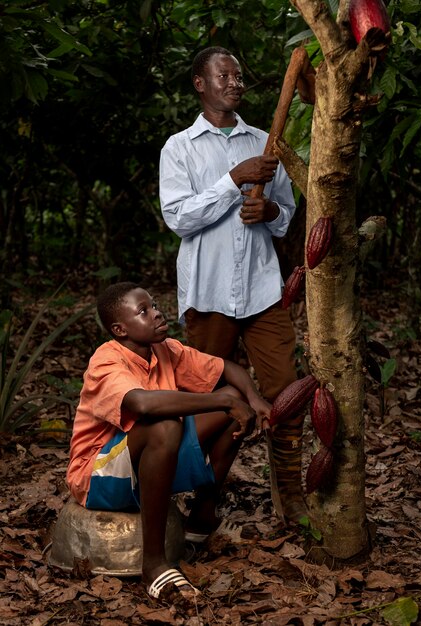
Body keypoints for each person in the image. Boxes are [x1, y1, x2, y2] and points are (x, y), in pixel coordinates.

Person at [159, 46, 304, 521]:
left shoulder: (266, 141)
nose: (235, 83)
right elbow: (179, 218)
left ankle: (293, 504)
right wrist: (232, 181)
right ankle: (203, 505)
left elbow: (286, 217)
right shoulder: (179, 147)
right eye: (224, 76)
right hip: (209, 294)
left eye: (239, 76)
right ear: (201, 84)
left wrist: (272, 211)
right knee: (212, 408)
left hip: (264, 292)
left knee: (286, 396)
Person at [66, 281, 271, 600]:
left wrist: (253, 399)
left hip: (147, 462)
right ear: (120, 329)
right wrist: (226, 402)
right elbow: (144, 404)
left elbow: (227, 369)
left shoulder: (165, 349)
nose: (158, 314)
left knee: (230, 398)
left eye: (155, 306)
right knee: (166, 424)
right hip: (98, 476)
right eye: (143, 311)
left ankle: (201, 520)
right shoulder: (106, 361)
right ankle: (154, 564)